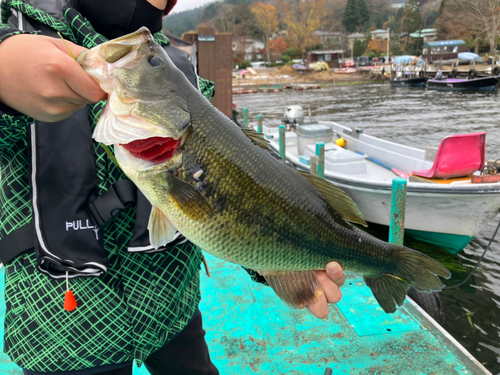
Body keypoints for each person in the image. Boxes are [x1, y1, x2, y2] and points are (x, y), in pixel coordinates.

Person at [0, 0, 347, 374]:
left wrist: (274, 263)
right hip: (64, 327)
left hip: (172, 305)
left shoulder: (174, 68)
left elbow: (232, 191)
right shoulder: (18, 31)